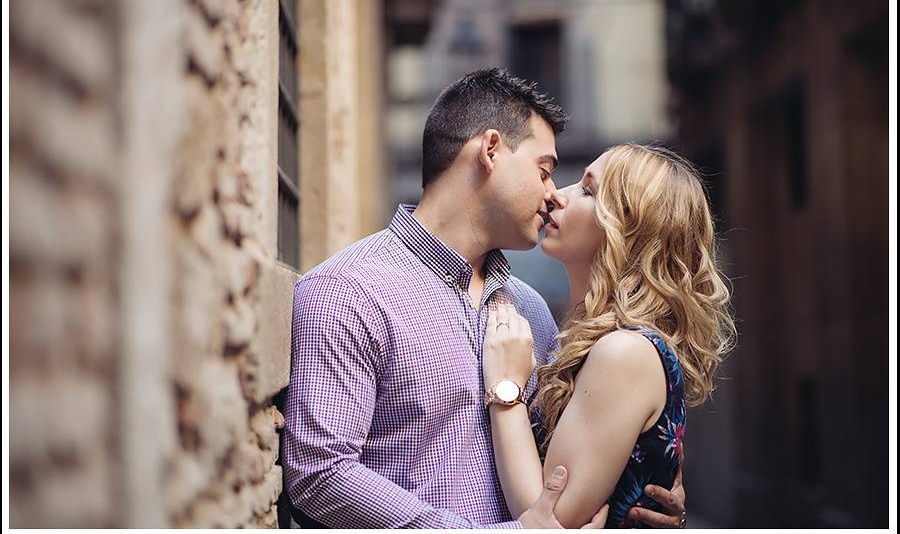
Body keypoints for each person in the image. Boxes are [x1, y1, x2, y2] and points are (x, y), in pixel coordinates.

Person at [281, 69, 686, 527]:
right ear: (491, 151)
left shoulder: (532, 310)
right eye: (545, 171)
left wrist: (635, 482)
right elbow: (320, 474)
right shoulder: (347, 290)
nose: (554, 195)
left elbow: (562, 474)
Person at [481, 144, 736, 528]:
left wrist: (505, 389)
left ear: (627, 227)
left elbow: (545, 518)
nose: (556, 195)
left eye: (587, 190)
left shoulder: (624, 352)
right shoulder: (595, 342)